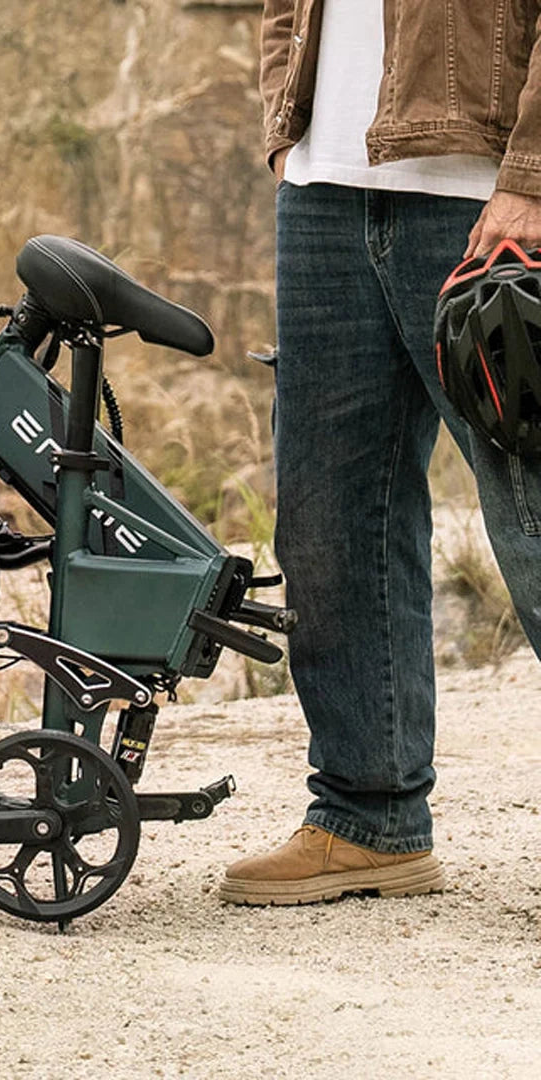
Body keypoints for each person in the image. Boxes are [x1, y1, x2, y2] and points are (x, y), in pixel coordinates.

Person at [219, 0, 541, 905]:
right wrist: (287, 129)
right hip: (323, 192)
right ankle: (368, 819)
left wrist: (532, 177)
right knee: (330, 522)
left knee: (532, 517)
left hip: (487, 193)